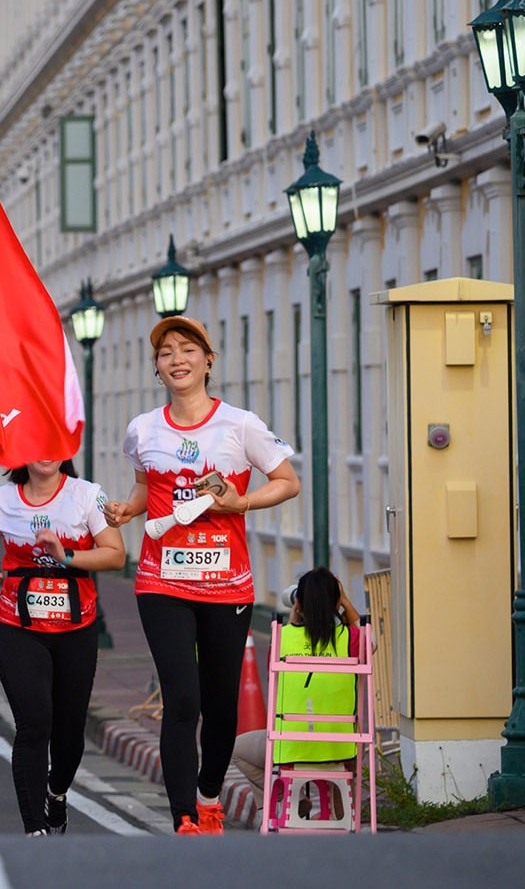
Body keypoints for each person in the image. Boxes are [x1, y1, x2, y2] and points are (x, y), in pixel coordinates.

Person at [105, 315, 300, 835]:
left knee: (220, 705)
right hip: (161, 579)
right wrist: (128, 510)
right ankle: (184, 817)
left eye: (187, 349)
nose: (177, 360)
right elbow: (147, 492)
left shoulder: (240, 425)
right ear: (157, 367)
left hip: (226, 582)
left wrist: (242, 502)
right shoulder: (143, 429)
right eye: (166, 352)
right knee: (182, 697)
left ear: (208, 361)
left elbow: (287, 480)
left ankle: (209, 793)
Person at [0, 459, 126, 836]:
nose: (45, 453)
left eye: (53, 444)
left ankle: (56, 794)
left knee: (69, 732)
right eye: (36, 444)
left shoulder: (86, 495)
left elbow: (115, 553)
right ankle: (33, 828)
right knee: (34, 722)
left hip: (76, 627)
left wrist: (67, 557)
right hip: (18, 624)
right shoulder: (3, 499)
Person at [230, 568, 362, 798]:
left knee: (237, 750)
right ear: (336, 603)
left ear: (298, 604)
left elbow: (275, 675)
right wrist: (346, 604)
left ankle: (290, 798)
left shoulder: (283, 637)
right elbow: (370, 643)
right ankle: (339, 812)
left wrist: (291, 622)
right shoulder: (351, 639)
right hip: (340, 748)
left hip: (289, 748)